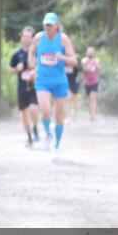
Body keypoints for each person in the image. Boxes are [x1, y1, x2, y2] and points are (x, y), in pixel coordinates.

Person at [28, 13, 77, 153]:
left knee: (60, 116)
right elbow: (31, 53)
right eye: (46, 24)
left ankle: (57, 144)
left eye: (51, 24)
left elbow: (74, 60)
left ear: (57, 26)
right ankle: (48, 134)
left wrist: (62, 57)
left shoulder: (63, 39)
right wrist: (33, 67)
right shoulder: (38, 37)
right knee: (46, 110)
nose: (48, 27)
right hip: (42, 80)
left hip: (60, 81)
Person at [9, 26, 40, 147]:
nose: (26, 39)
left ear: (32, 39)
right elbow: (10, 70)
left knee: (33, 109)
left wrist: (35, 72)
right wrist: (17, 69)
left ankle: (36, 127)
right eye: (24, 36)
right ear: (21, 38)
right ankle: (29, 137)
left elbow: (43, 67)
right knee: (23, 113)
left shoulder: (37, 53)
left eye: (29, 37)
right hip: (21, 87)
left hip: (34, 86)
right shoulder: (17, 54)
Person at [81, 46, 101, 122]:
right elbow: (85, 69)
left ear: (94, 53)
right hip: (87, 82)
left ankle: (93, 115)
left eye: (91, 51)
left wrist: (96, 64)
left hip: (95, 81)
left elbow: (99, 69)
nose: (90, 53)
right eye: (88, 51)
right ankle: (90, 113)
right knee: (89, 99)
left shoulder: (97, 60)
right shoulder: (84, 60)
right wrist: (91, 63)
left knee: (93, 98)